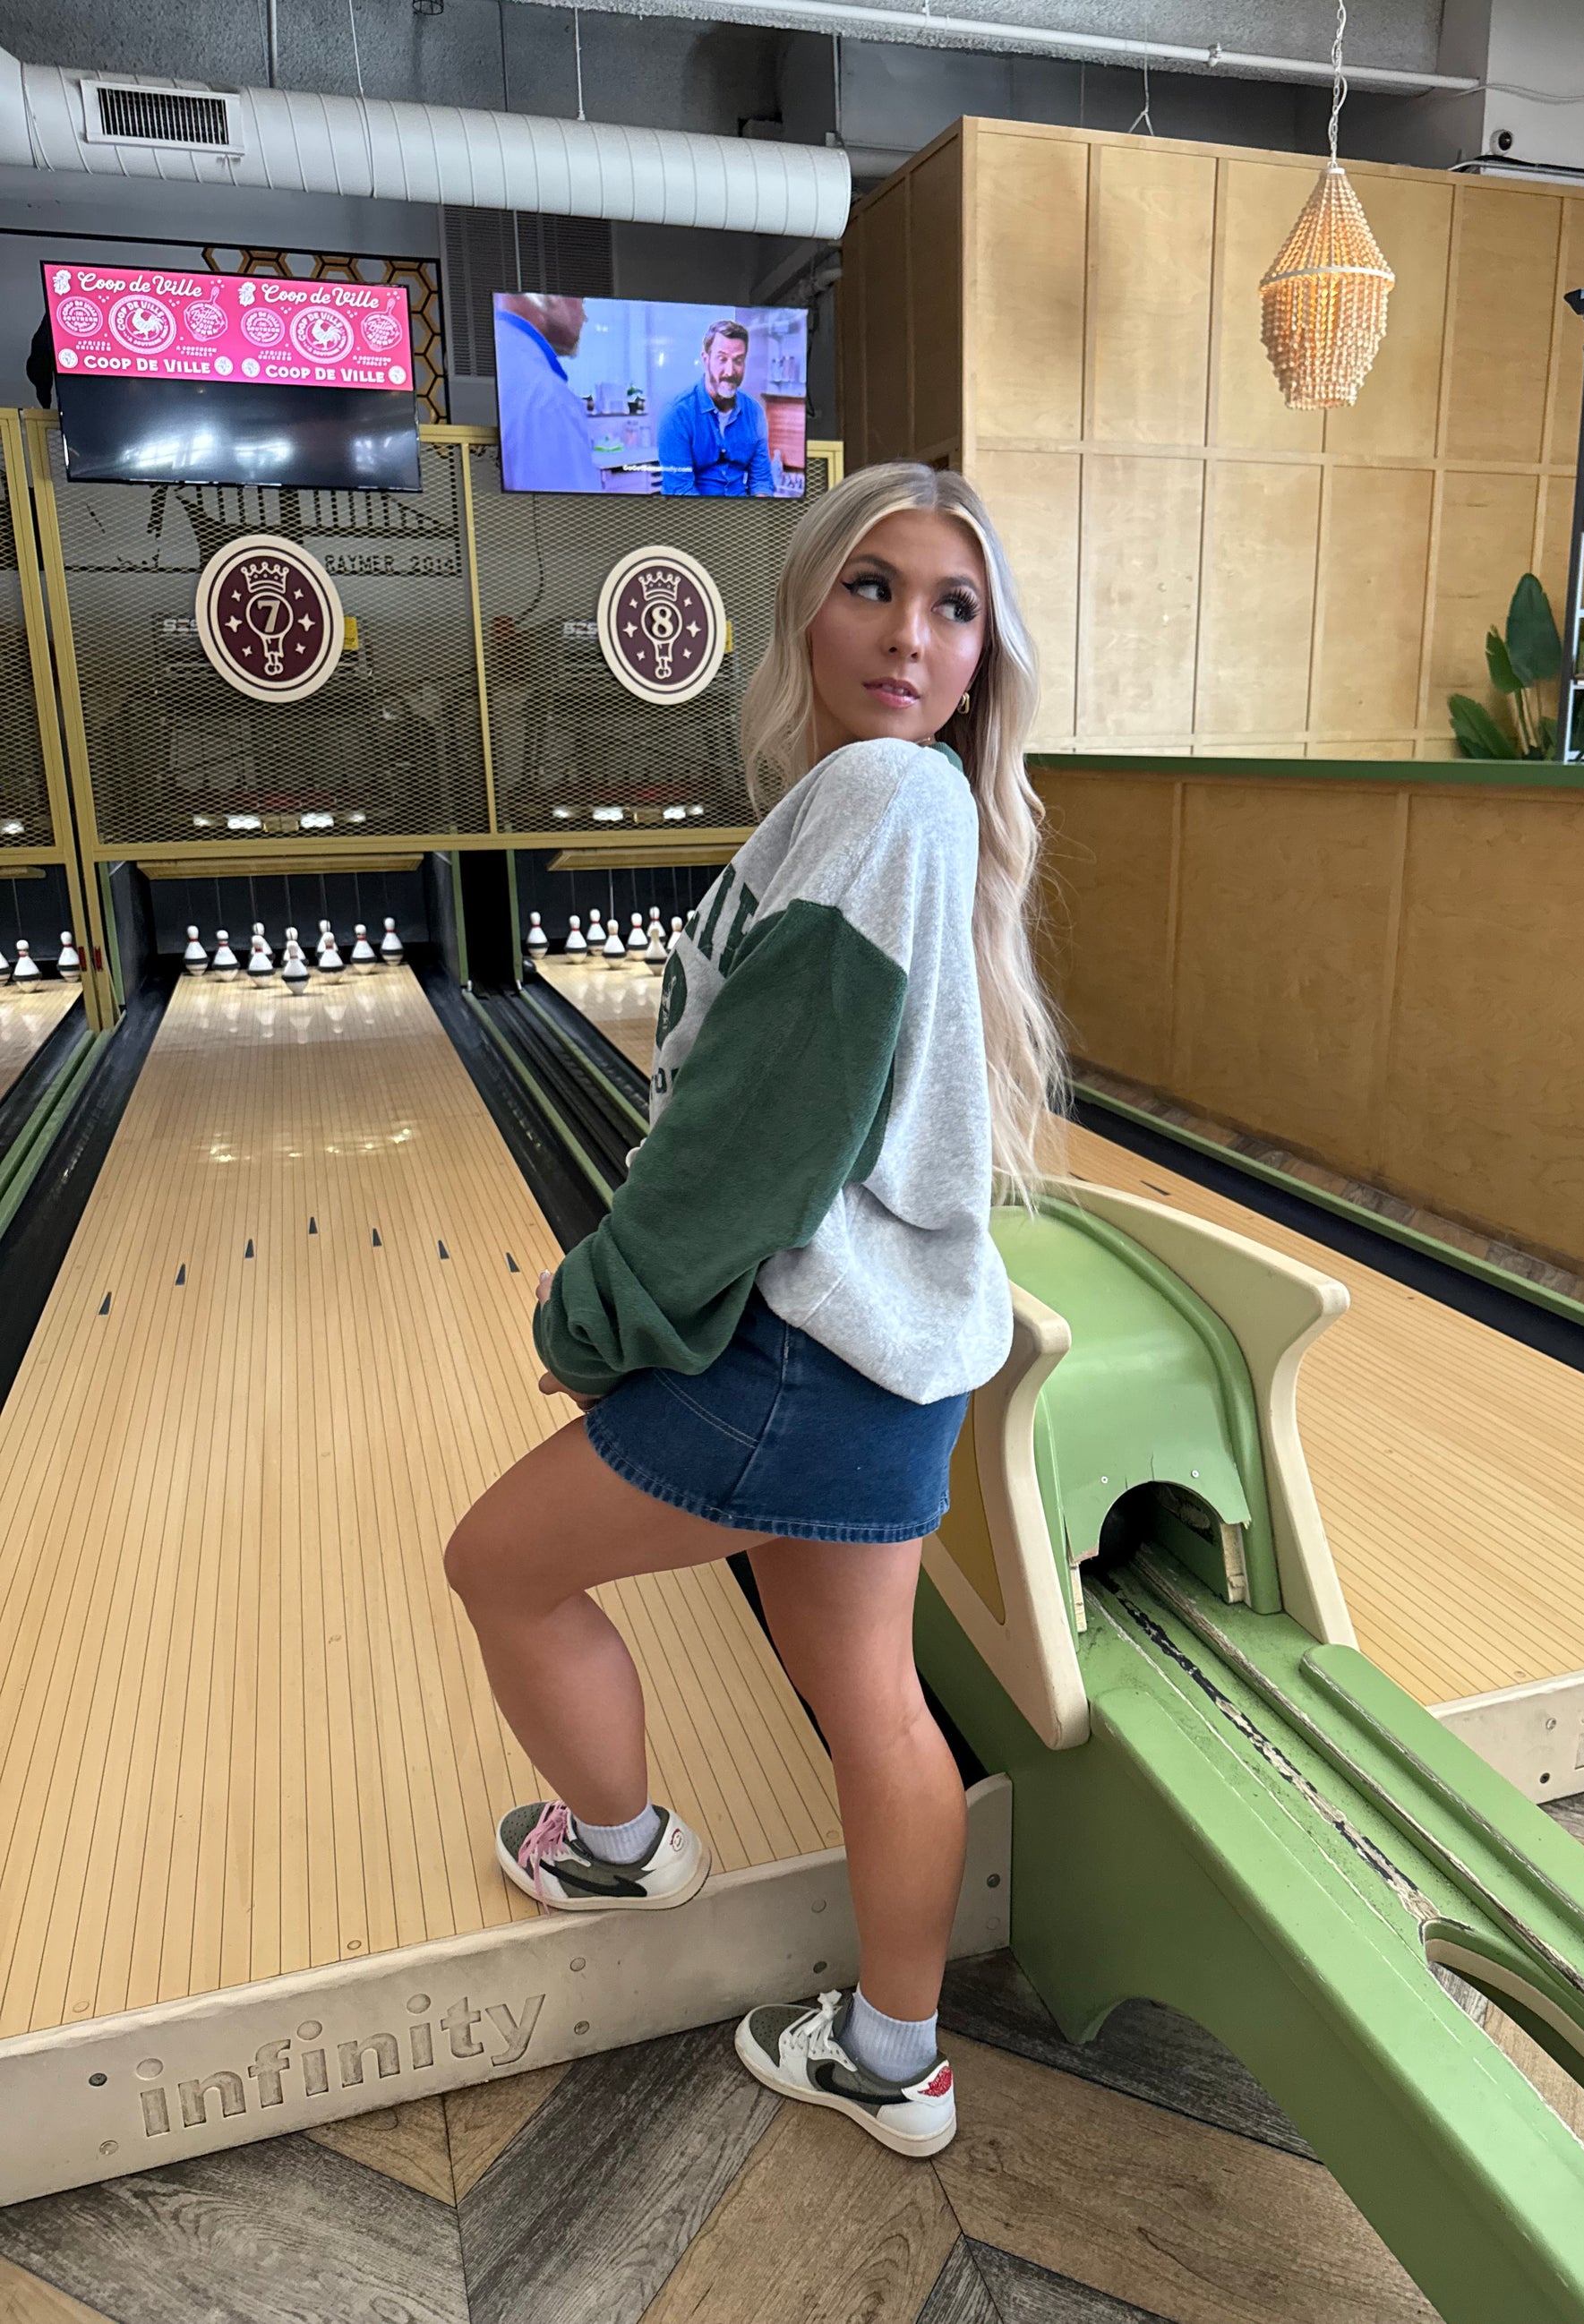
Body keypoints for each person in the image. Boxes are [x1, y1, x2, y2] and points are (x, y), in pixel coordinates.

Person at [444, 461, 1061, 2159]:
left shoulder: (880, 795)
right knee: (871, 1696)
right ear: (804, 608)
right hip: (893, 1357)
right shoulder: (911, 805)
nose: (911, 634)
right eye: (875, 586)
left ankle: (618, 1847)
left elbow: (755, 1142)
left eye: (953, 606)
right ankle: (894, 2056)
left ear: (982, 655)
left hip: (792, 1353)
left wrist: (597, 1318)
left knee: (498, 1564)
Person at [493, 293, 605, 493]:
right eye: (581, 301)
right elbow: (572, 509)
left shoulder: (502, 354)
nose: (584, 316)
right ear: (549, 297)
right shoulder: (548, 398)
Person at [656, 318, 774, 496]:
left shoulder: (754, 412)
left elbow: (761, 480)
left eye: (738, 360)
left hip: (742, 510)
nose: (730, 371)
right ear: (706, 359)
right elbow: (681, 490)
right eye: (722, 359)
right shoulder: (677, 414)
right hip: (692, 510)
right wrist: (718, 515)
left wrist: (759, 511)